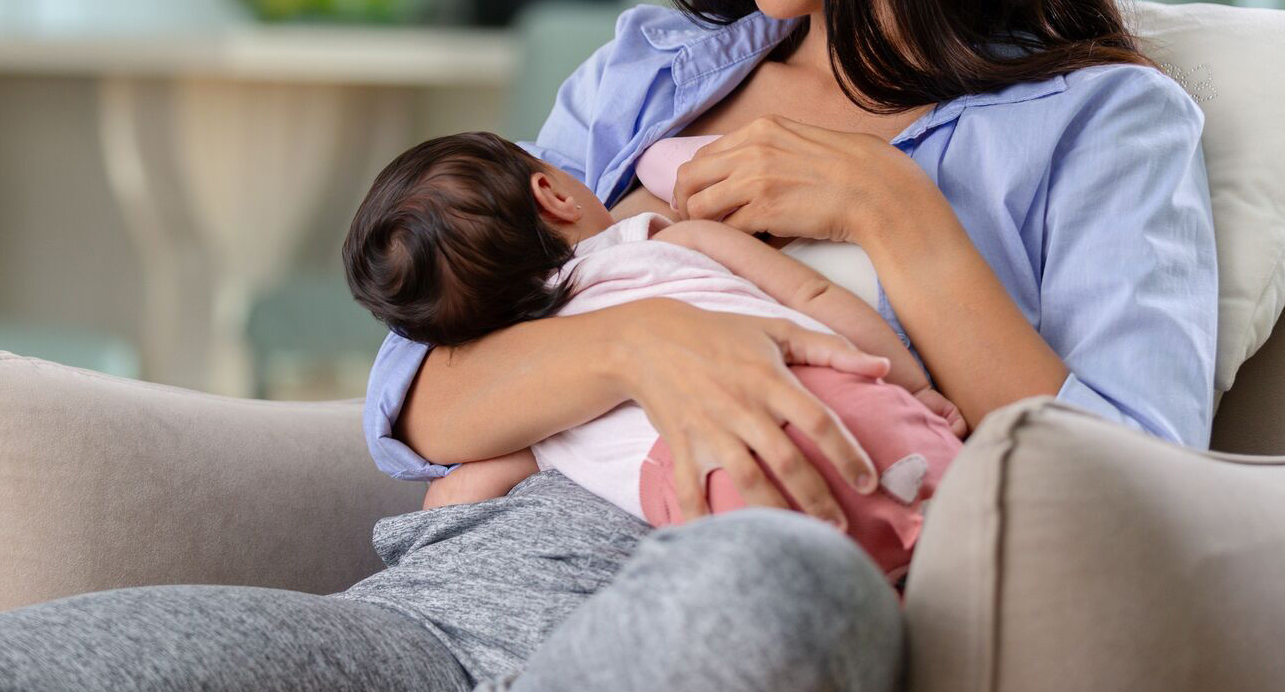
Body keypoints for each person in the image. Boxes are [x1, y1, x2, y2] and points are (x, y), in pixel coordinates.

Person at [0, 0, 1217, 692]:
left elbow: (1129, 497)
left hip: (718, 608)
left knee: (776, 589)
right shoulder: (649, 75)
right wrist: (646, 343)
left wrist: (896, 217)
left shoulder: (1101, 125)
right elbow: (417, 396)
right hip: (443, 617)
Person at [339, 129, 966, 588]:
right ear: (551, 194)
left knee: (814, 594)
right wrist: (916, 387)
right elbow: (813, 294)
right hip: (847, 401)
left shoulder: (542, 394)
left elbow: (462, 495)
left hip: (712, 482)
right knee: (957, 542)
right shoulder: (666, 238)